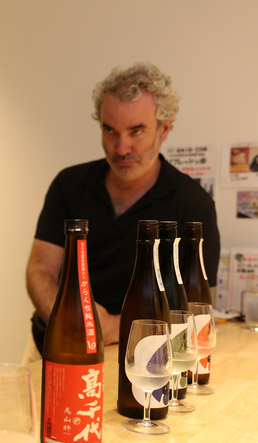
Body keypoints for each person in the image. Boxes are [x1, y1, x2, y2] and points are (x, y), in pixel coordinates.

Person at [25, 62, 219, 359]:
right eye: (110, 130)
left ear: (164, 129)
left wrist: (119, 327)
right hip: (56, 344)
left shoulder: (194, 205)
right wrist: (82, 323)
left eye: (136, 131)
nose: (121, 147)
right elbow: (40, 271)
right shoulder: (69, 184)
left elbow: (198, 311)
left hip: (148, 355)